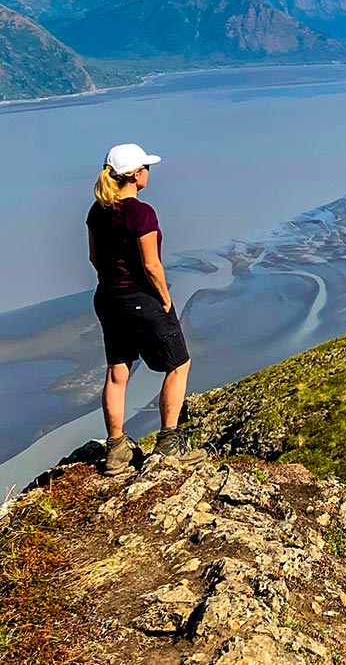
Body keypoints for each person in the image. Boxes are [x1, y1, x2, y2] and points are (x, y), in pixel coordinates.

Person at [87, 143, 207, 476]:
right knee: (179, 364)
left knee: (117, 372)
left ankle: (116, 451)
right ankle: (168, 444)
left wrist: (114, 286)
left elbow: (95, 258)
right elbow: (151, 264)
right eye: (146, 168)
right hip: (142, 299)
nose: (148, 173)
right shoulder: (142, 213)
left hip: (109, 299)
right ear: (136, 174)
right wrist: (164, 298)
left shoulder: (97, 211)